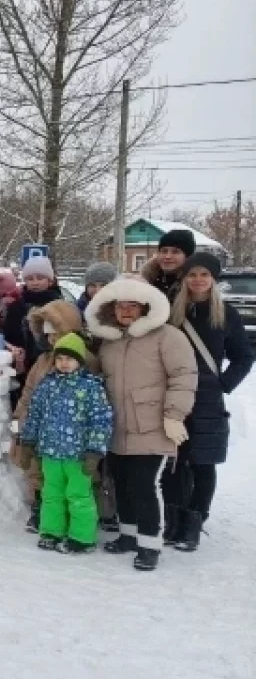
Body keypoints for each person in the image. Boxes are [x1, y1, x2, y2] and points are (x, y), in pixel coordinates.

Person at [86, 276, 197, 572]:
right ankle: (128, 535)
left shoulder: (167, 336)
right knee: (121, 483)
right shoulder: (110, 341)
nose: (126, 311)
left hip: (153, 426)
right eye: (120, 306)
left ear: (145, 307)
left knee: (143, 485)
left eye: (132, 305)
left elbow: (184, 376)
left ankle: (149, 545)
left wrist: (174, 415)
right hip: (116, 426)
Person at [164, 252, 254, 551]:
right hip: (174, 394)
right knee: (175, 461)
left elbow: (244, 356)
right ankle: (173, 522)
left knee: (203, 462)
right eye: (192, 274)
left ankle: (194, 523)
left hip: (207, 399)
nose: (198, 280)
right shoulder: (172, 312)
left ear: (214, 279)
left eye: (204, 274)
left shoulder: (226, 314)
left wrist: (223, 384)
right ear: (185, 278)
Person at [12, 300, 105, 534]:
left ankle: (78, 523)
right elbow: (29, 393)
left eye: (56, 332)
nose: (51, 338)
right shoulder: (43, 360)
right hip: (45, 431)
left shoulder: (86, 360)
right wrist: (19, 419)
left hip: (75, 436)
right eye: (47, 334)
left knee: (76, 481)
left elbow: (96, 403)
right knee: (40, 471)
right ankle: (43, 511)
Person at [20, 333, 114, 553]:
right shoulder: (47, 384)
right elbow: (35, 414)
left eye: (69, 359)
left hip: (78, 456)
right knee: (51, 494)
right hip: (50, 452)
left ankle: (82, 538)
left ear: (79, 361)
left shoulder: (91, 387)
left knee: (78, 495)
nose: (64, 363)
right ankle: (52, 531)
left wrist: (94, 451)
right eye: (60, 358)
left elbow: (101, 421)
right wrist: (28, 441)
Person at [4, 255, 63, 373]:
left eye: (40, 278)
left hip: (52, 367)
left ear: (50, 280)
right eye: (30, 279)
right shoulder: (16, 306)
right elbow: (9, 338)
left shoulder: (60, 306)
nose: (35, 283)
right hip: (21, 368)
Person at [142, 228, 195, 300]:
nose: (167, 256)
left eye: (175, 252)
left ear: (187, 256)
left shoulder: (196, 286)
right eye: (164, 251)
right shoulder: (146, 281)